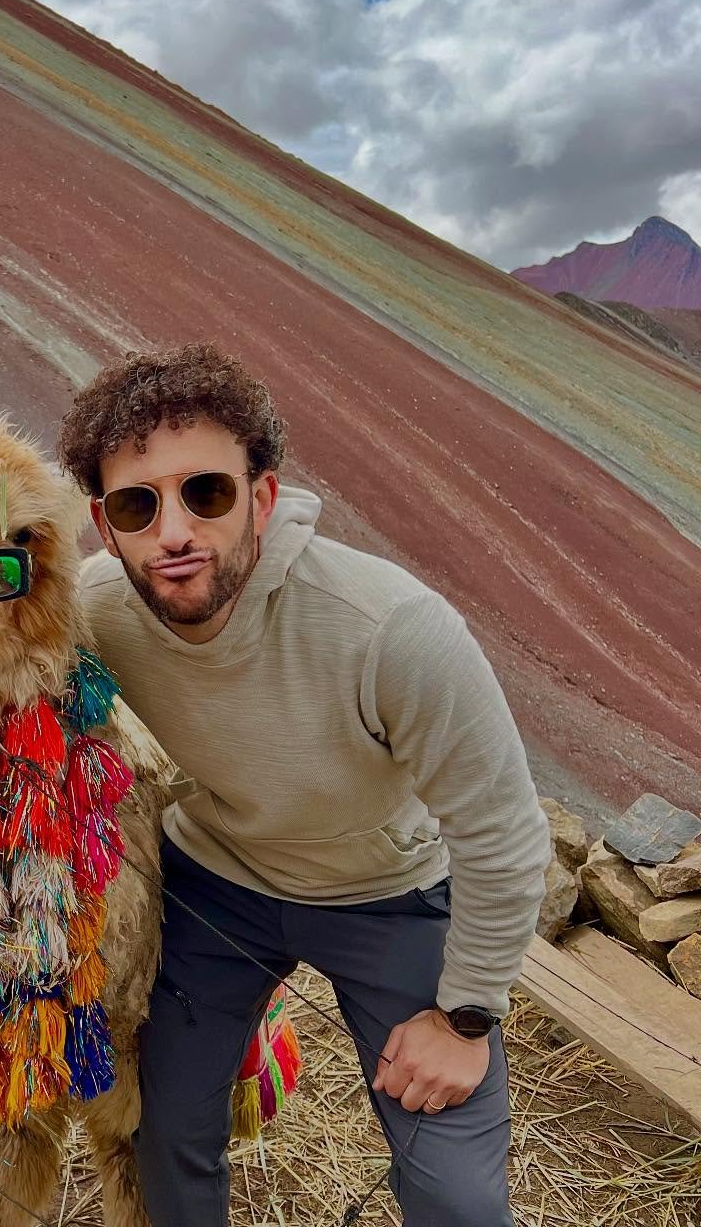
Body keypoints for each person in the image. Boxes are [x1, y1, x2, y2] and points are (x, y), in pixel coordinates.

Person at [57, 343, 551, 1227]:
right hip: (216, 886)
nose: (174, 533)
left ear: (263, 496)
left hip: (388, 895)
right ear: (104, 523)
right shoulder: (97, 613)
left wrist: (466, 1018)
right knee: (163, 1131)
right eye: (138, 504)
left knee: (457, 1198)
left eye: (206, 492)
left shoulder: (389, 630)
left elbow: (503, 833)